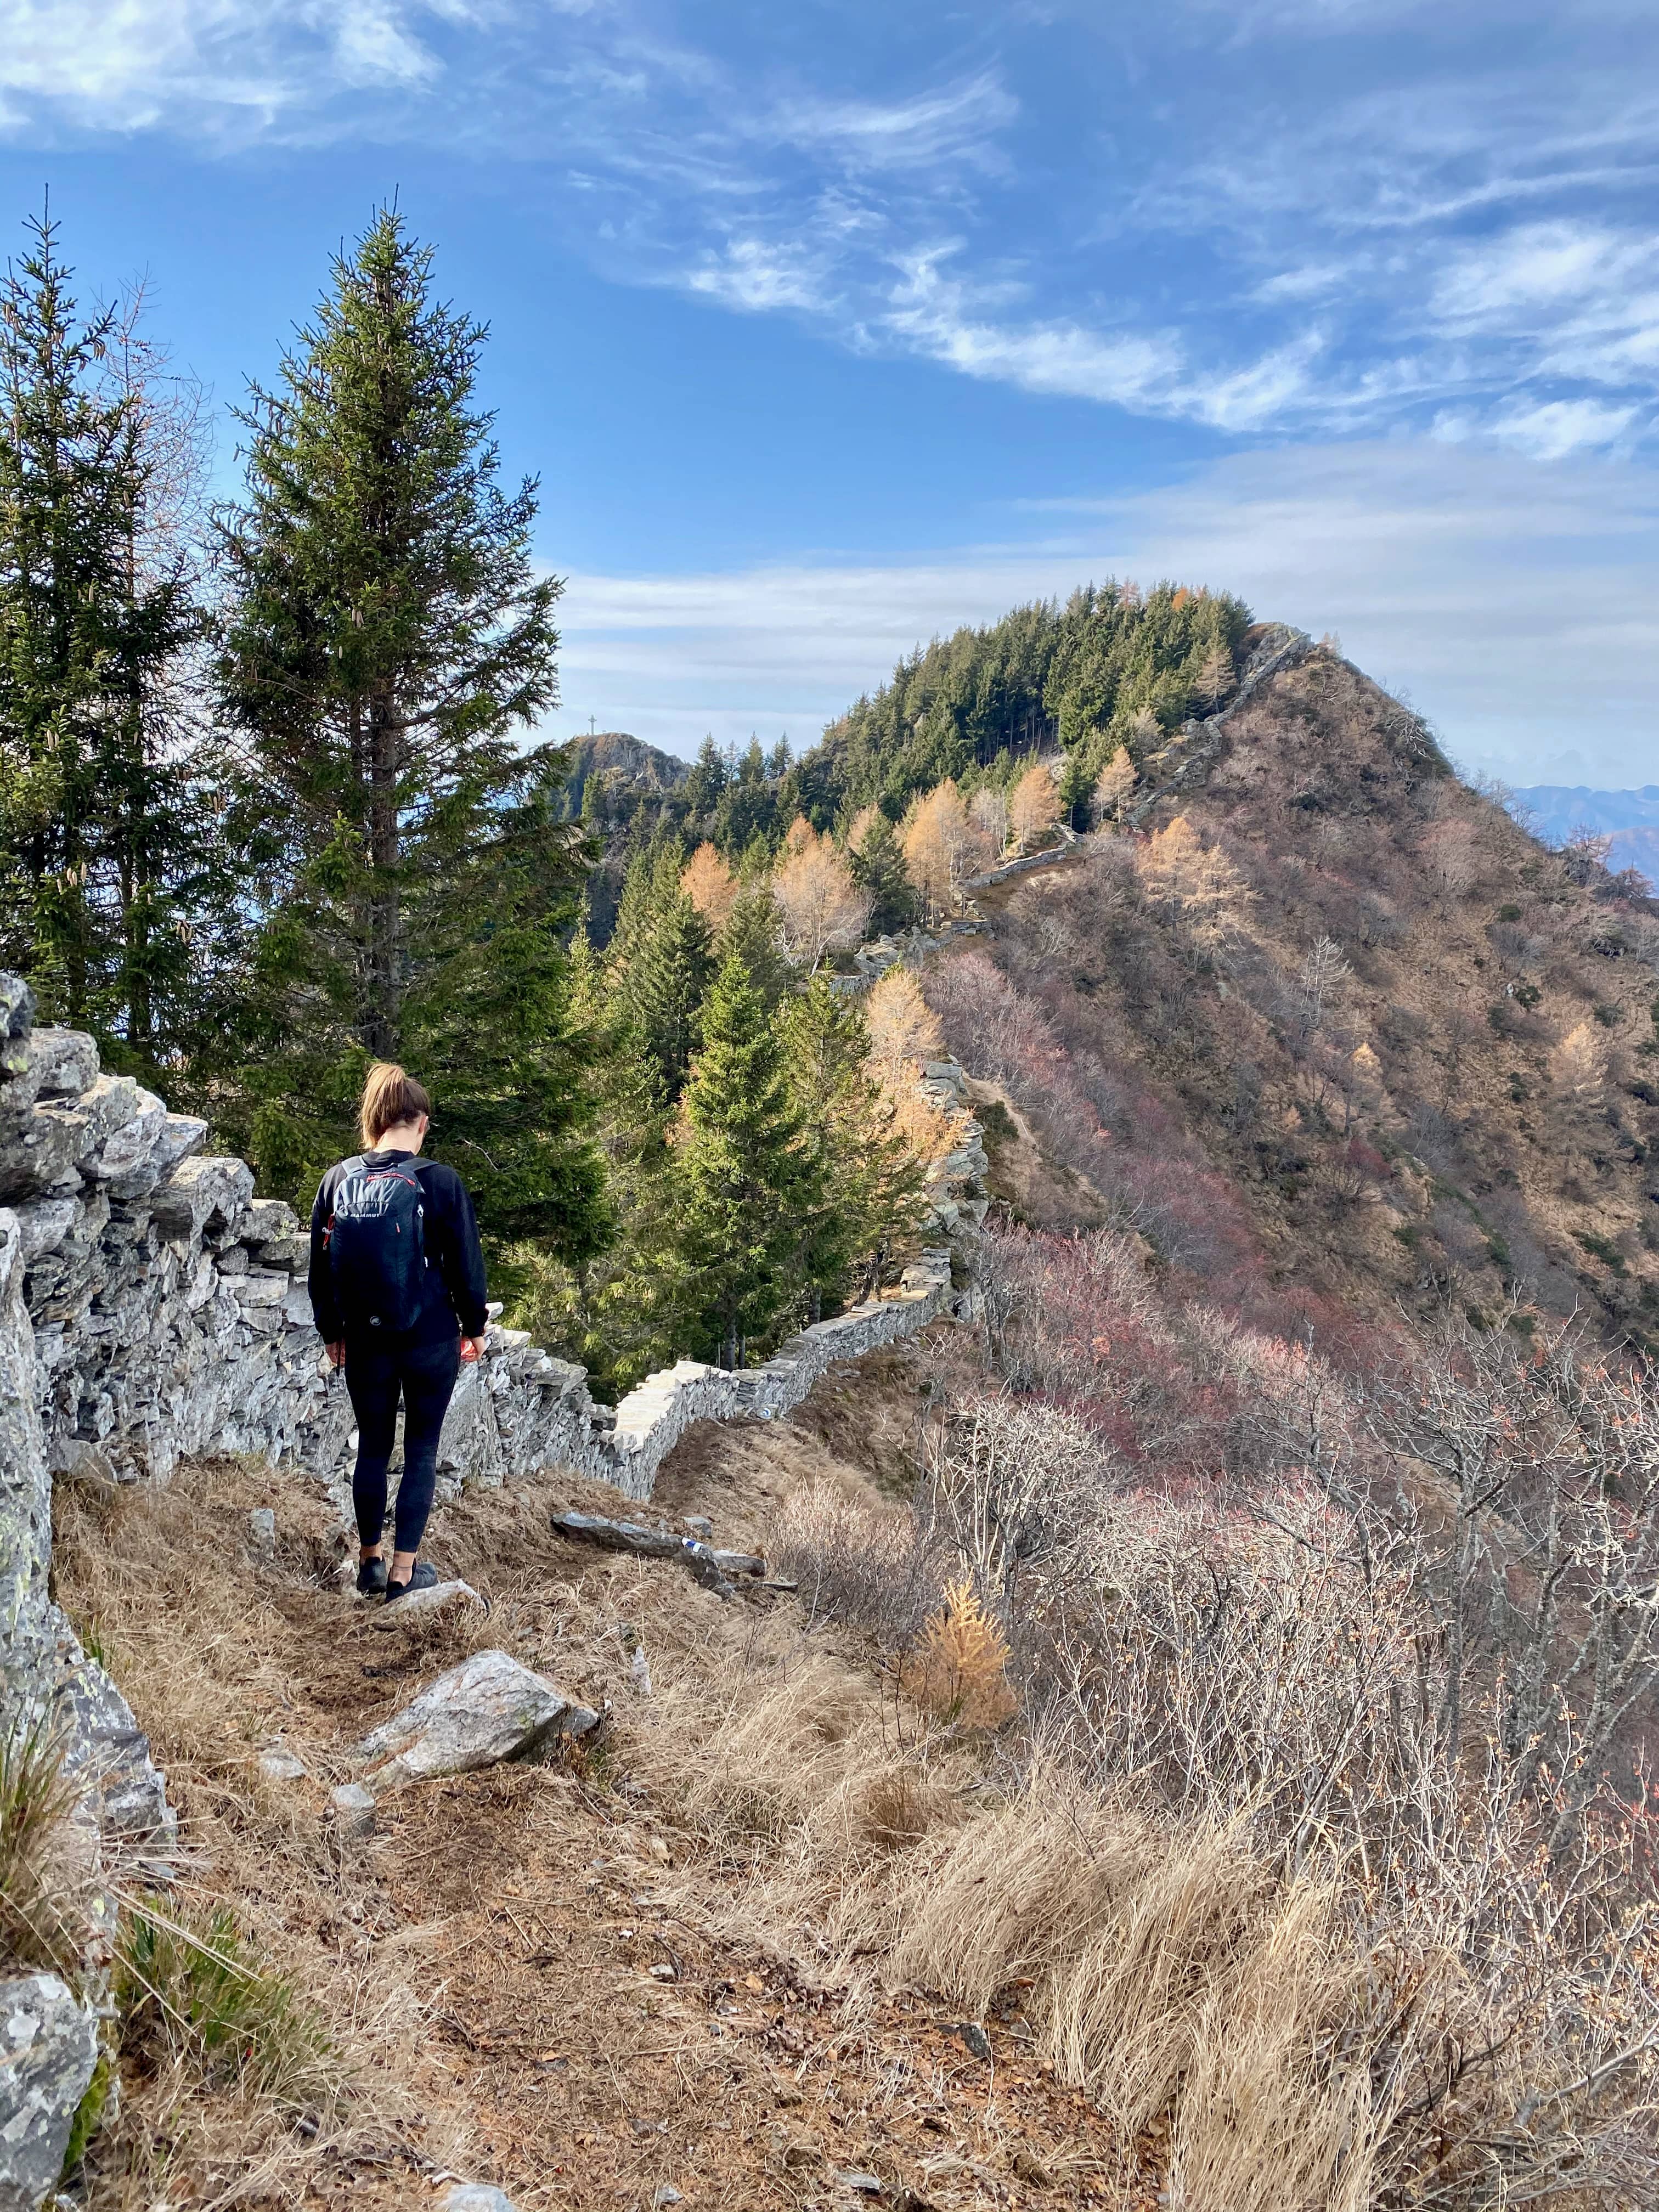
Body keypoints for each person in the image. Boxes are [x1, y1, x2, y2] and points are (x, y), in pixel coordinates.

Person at [309, 1064, 489, 1601]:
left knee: (371, 1449)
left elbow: (320, 1269)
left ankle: (368, 1564)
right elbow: (466, 1265)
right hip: (431, 1336)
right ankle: (405, 1573)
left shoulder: (338, 1180)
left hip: (365, 1341)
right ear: (421, 1123)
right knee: (421, 1450)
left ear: (377, 1121)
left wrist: (331, 1331)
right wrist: (474, 1327)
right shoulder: (439, 1181)